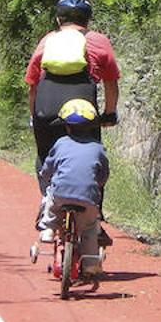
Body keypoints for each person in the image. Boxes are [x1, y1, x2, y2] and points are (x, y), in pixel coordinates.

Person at [25, 0, 120, 180]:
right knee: (92, 161)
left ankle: (48, 201)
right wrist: (109, 114)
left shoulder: (47, 40)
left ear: (59, 19)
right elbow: (111, 83)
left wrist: (34, 117)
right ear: (87, 20)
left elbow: (33, 85)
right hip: (82, 110)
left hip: (47, 108)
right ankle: (93, 206)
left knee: (44, 159)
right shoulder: (98, 40)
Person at [38, 99, 109, 276]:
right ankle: (91, 263)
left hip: (61, 195)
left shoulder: (61, 143)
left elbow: (48, 169)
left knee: (50, 196)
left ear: (66, 127)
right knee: (90, 228)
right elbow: (103, 174)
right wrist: (97, 184)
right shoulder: (98, 148)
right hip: (88, 198)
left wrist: (45, 177)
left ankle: (49, 227)